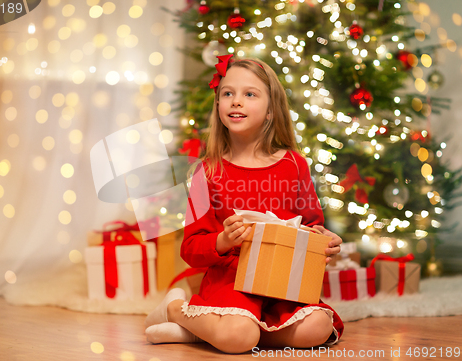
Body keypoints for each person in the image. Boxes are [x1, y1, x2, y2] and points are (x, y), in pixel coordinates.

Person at [145, 55, 344, 354]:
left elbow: (313, 224)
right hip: (231, 282)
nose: (236, 101)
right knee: (239, 336)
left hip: (282, 282)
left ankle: (210, 331)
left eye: (249, 94)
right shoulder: (206, 172)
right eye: (228, 93)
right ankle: (176, 309)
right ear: (219, 105)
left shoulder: (295, 164)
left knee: (318, 327)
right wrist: (223, 240)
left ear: (270, 111)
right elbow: (190, 249)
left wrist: (324, 239)